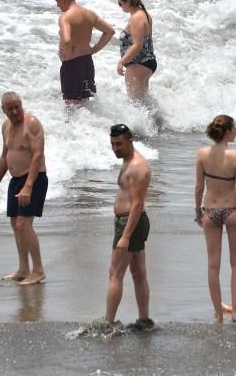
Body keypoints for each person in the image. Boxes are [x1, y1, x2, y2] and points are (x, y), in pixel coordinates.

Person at [194, 115, 236, 323]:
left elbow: (199, 187)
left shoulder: (202, 154)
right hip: (232, 210)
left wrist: (197, 211)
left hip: (210, 211)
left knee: (213, 265)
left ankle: (219, 314)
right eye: (235, 128)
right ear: (228, 131)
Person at [0, 92, 48, 286]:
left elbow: (38, 155)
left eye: (17, 106)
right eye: (10, 108)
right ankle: (23, 268)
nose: (14, 111)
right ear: (3, 111)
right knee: (15, 224)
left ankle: (38, 270)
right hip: (15, 180)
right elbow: (5, 156)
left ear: (22, 104)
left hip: (34, 179)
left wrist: (28, 186)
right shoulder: (6, 127)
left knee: (24, 224)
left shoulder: (32, 123)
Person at [105, 123, 155, 331]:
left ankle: (107, 323)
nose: (115, 148)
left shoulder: (137, 166)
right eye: (113, 144)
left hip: (130, 222)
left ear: (130, 140)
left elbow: (137, 204)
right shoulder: (127, 161)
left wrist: (125, 236)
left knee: (115, 272)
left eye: (119, 144)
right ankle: (144, 320)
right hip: (129, 222)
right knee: (138, 272)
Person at [55, 0, 115, 104]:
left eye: (57, 1)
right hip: (87, 62)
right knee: (85, 103)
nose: (57, 5)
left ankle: (70, 123)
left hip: (72, 64)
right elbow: (110, 31)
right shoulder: (89, 14)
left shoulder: (65, 17)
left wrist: (66, 55)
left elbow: (67, 40)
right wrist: (94, 49)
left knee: (70, 106)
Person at [116, 0, 157, 102]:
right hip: (146, 63)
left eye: (120, 3)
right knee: (144, 104)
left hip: (138, 65)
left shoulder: (136, 18)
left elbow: (137, 45)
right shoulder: (144, 13)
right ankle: (158, 120)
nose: (120, 6)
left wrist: (121, 62)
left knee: (135, 104)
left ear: (128, 2)